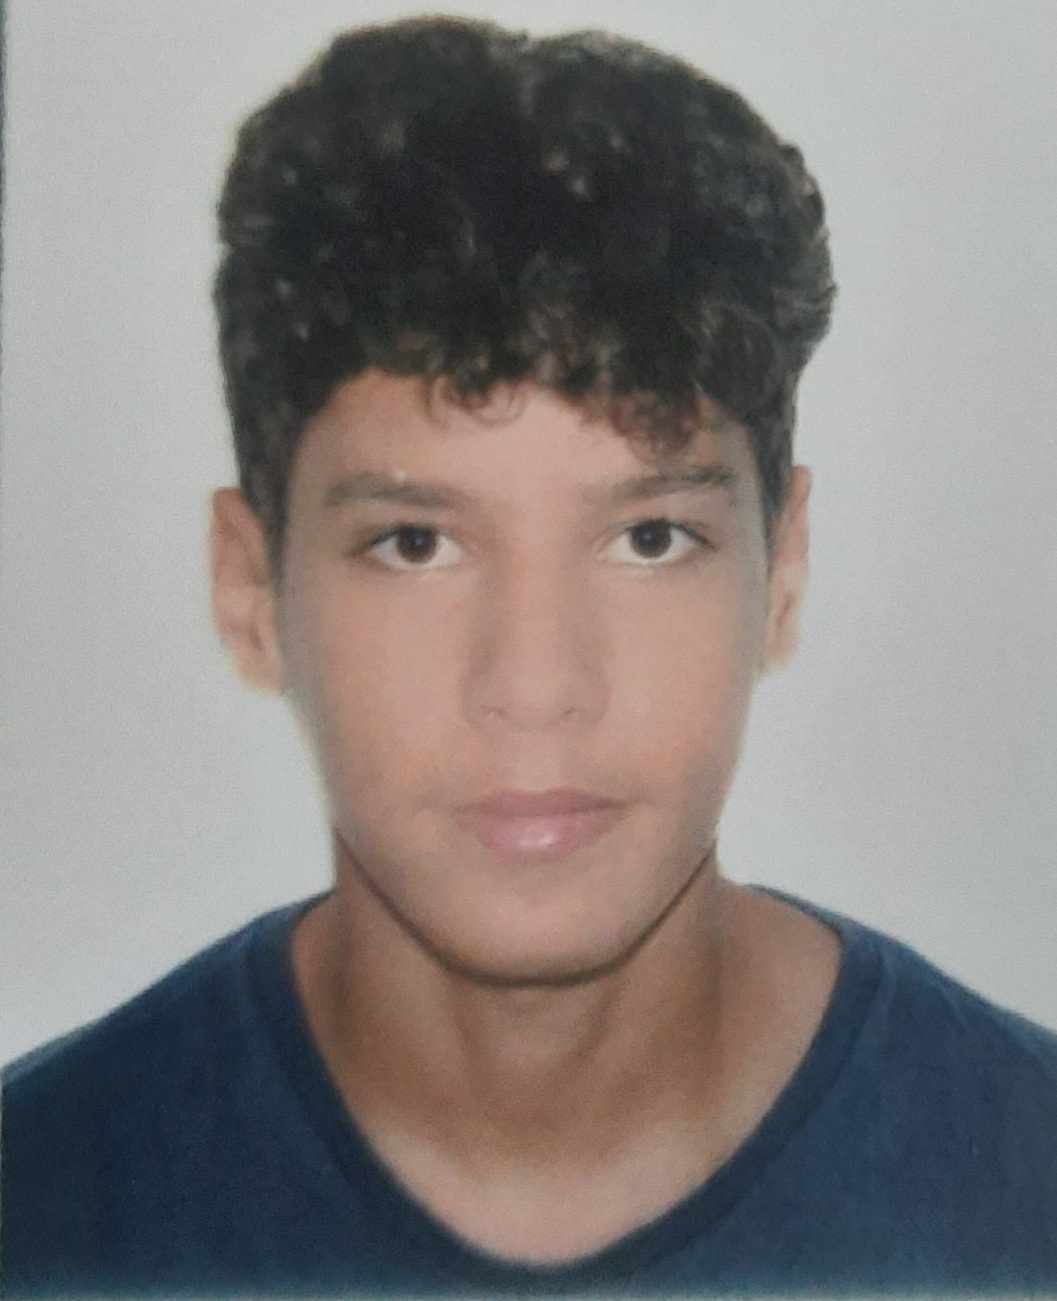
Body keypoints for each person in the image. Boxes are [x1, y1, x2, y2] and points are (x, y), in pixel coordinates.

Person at [3, 14, 1056, 1298]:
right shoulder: (38, 1206)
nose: (538, 686)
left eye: (649, 537)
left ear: (780, 571)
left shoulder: (1024, 1191)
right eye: (415, 544)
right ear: (249, 590)